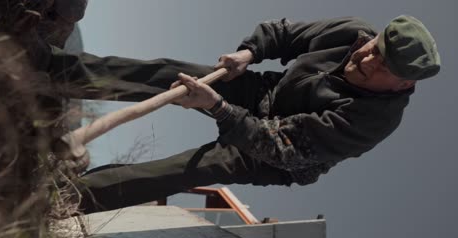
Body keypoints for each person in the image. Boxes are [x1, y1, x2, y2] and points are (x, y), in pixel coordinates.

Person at [47, 14, 440, 213]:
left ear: (403, 85)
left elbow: (283, 146)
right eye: (375, 45)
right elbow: (284, 34)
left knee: (188, 168)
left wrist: (217, 107)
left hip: (275, 157)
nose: (367, 56)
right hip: (264, 92)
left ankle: (59, 197)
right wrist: (249, 53)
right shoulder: (352, 34)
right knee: (167, 73)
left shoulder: (373, 120)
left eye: (383, 65)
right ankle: (46, 70)